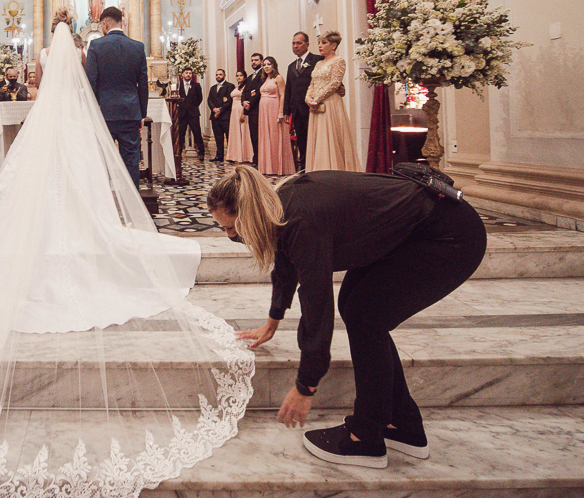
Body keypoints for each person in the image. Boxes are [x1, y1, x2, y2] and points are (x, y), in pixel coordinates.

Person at [0, 14, 252, 496]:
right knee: (94, 177)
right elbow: (102, 84)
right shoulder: (99, 52)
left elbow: (47, 89)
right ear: (77, 39)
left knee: (29, 186)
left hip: (55, 118)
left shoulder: (54, 58)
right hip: (96, 116)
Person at [207, 166, 486, 469]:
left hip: (450, 237)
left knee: (366, 316)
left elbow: (317, 305)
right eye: (223, 230)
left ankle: (365, 438)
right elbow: (286, 263)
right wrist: (273, 320)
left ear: (249, 214)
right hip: (415, 232)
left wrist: (305, 386)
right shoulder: (278, 206)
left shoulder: (301, 220)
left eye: (232, 228)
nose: (230, 236)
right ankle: (402, 425)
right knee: (356, 305)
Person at [85, 6, 149, 188]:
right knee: (131, 161)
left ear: (104, 24)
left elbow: (91, 82)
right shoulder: (138, 47)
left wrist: (93, 111)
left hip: (103, 114)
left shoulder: (96, 46)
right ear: (122, 22)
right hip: (130, 112)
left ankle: (103, 205)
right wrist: (141, 114)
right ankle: (132, 205)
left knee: (101, 160)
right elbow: (142, 85)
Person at [305, 31, 361, 172]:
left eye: (324, 43)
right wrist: (308, 98)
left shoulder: (338, 61)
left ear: (334, 45)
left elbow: (335, 84)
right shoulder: (318, 64)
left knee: (330, 137)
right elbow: (312, 83)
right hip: (315, 106)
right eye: (319, 43)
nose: (320, 45)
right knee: (318, 138)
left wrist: (317, 99)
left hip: (330, 104)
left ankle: (332, 170)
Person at [282, 32, 323, 172]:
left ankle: (316, 167)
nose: (295, 46)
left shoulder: (317, 60)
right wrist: (286, 110)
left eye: (298, 43)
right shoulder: (291, 66)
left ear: (307, 44)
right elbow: (289, 89)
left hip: (313, 108)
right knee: (301, 140)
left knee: (315, 139)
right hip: (297, 109)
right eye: (293, 43)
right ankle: (304, 167)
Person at [258, 56, 297, 175]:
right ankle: (267, 167)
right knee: (266, 136)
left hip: (274, 109)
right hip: (264, 111)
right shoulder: (265, 79)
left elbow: (283, 95)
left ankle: (277, 167)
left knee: (275, 136)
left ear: (274, 65)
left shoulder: (278, 78)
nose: (266, 67)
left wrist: (281, 112)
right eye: (264, 65)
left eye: (269, 64)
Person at [240, 52, 265, 167]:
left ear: (261, 61)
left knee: (259, 136)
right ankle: (256, 157)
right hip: (250, 110)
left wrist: (250, 103)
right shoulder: (250, 77)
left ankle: (260, 158)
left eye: (256, 60)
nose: (253, 62)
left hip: (258, 109)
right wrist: (244, 102)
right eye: (252, 60)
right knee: (253, 135)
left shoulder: (263, 75)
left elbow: (259, 91)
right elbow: (245, 92)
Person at [176, 67, 205, 160]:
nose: (188, 74)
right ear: (182, 75)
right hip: (182, 113)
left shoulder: (196, 85)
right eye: (186, 73)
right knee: (181, 134)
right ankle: (179, 152)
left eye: (190, 73)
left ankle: (201, 152)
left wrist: (193, 106)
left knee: (197, 133)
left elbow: (200, 98)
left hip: (193, 113)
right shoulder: (178, 85)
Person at [225, 70, 253, 164]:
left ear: (245, 77)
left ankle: (245, 156)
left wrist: (243, 113)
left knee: (243, 133)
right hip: (234, 112)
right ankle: (234, 155)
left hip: (241, 110)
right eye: (237, 76)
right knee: (235, 133)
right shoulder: (236, 87)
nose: (239, 77)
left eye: (241, 75)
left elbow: (246, 99)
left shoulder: (246, 87)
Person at [206, 68, 233, 162]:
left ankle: (231, 156)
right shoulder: (213, 88)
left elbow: (229, 101)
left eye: (220, 74)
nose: (218, 76)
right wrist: (214, 109)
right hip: (215, 116)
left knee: (229, 136)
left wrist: (219, 111)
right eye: (217, 74)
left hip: (225, 116)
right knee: (218, 137)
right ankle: (219, 155)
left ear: (224, 76)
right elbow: (209, 100)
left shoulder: (229, 86)